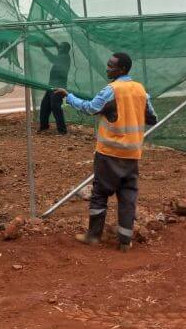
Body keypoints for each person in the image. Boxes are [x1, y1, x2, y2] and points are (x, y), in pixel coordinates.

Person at [54, 52, 157, 252]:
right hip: (132, 155)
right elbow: (152, 117)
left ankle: (93, 236)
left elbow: (91, 108)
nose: (107, 68)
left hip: (109, 153)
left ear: (122, 69)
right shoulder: (140, 90)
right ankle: (125, 241)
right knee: (128, 195)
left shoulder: (111, 90)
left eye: (111, 66)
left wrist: (69, 96)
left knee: (100, 193)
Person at [38, 41, 72, 134]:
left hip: (58, 88)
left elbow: (52, 58)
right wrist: (54, 43)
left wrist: (43, 48)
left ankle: (62, 130)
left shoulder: (64, 57)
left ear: (65, 49)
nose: (59, 49)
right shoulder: (62, 54)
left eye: (61, 48)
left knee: (55, 108)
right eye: (59, 47)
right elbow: (58, 48)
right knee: (45, 106)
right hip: (51, 86)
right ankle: (44, 126)